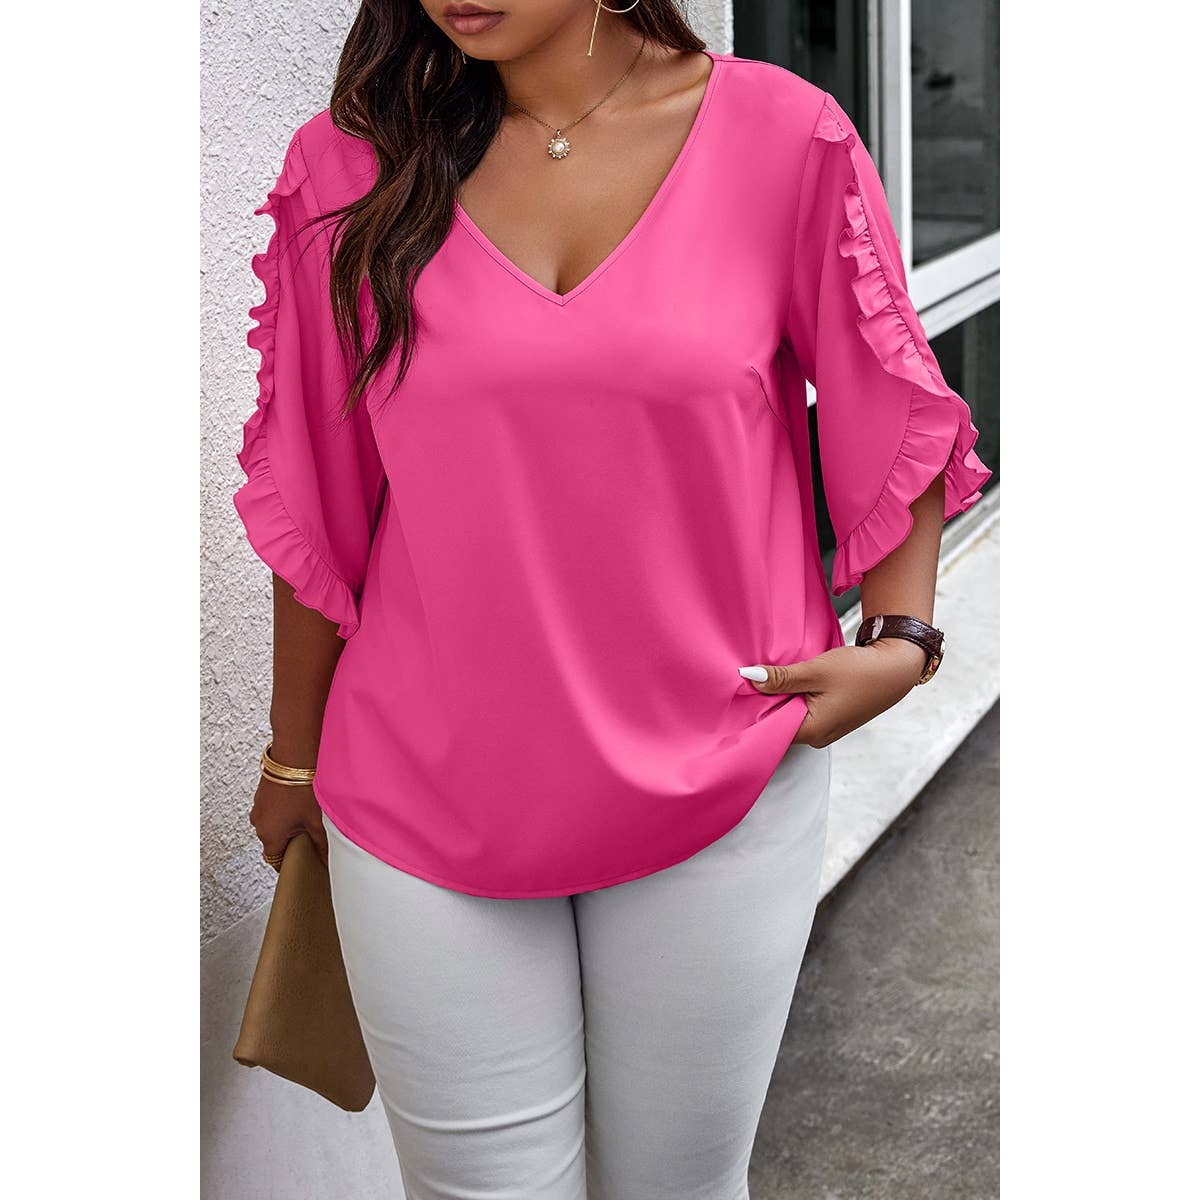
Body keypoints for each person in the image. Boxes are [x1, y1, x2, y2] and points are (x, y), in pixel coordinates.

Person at [234, 1, 991, 1196]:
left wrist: (901, 637)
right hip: (424, 791)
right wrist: (291, 758)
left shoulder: (783, 137)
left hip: (719, 771)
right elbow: (313, 499)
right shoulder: (351, 165)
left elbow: (887, 392)